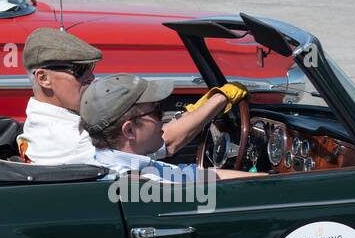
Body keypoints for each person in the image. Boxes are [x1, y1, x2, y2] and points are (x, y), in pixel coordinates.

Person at [15, 27, 240, 165]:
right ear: (43, 78)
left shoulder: (39, 120)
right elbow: (164, 143)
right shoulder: (73, 139)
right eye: (79, 70)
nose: (91, 78)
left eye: (91, 69)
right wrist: (220, 98)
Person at [80, 75, 259, 181]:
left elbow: (191, 175)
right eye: (157, 112)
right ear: (129, 131)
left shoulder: (105, 159)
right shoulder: (142, 183)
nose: (163, 120)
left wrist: (266, 179)